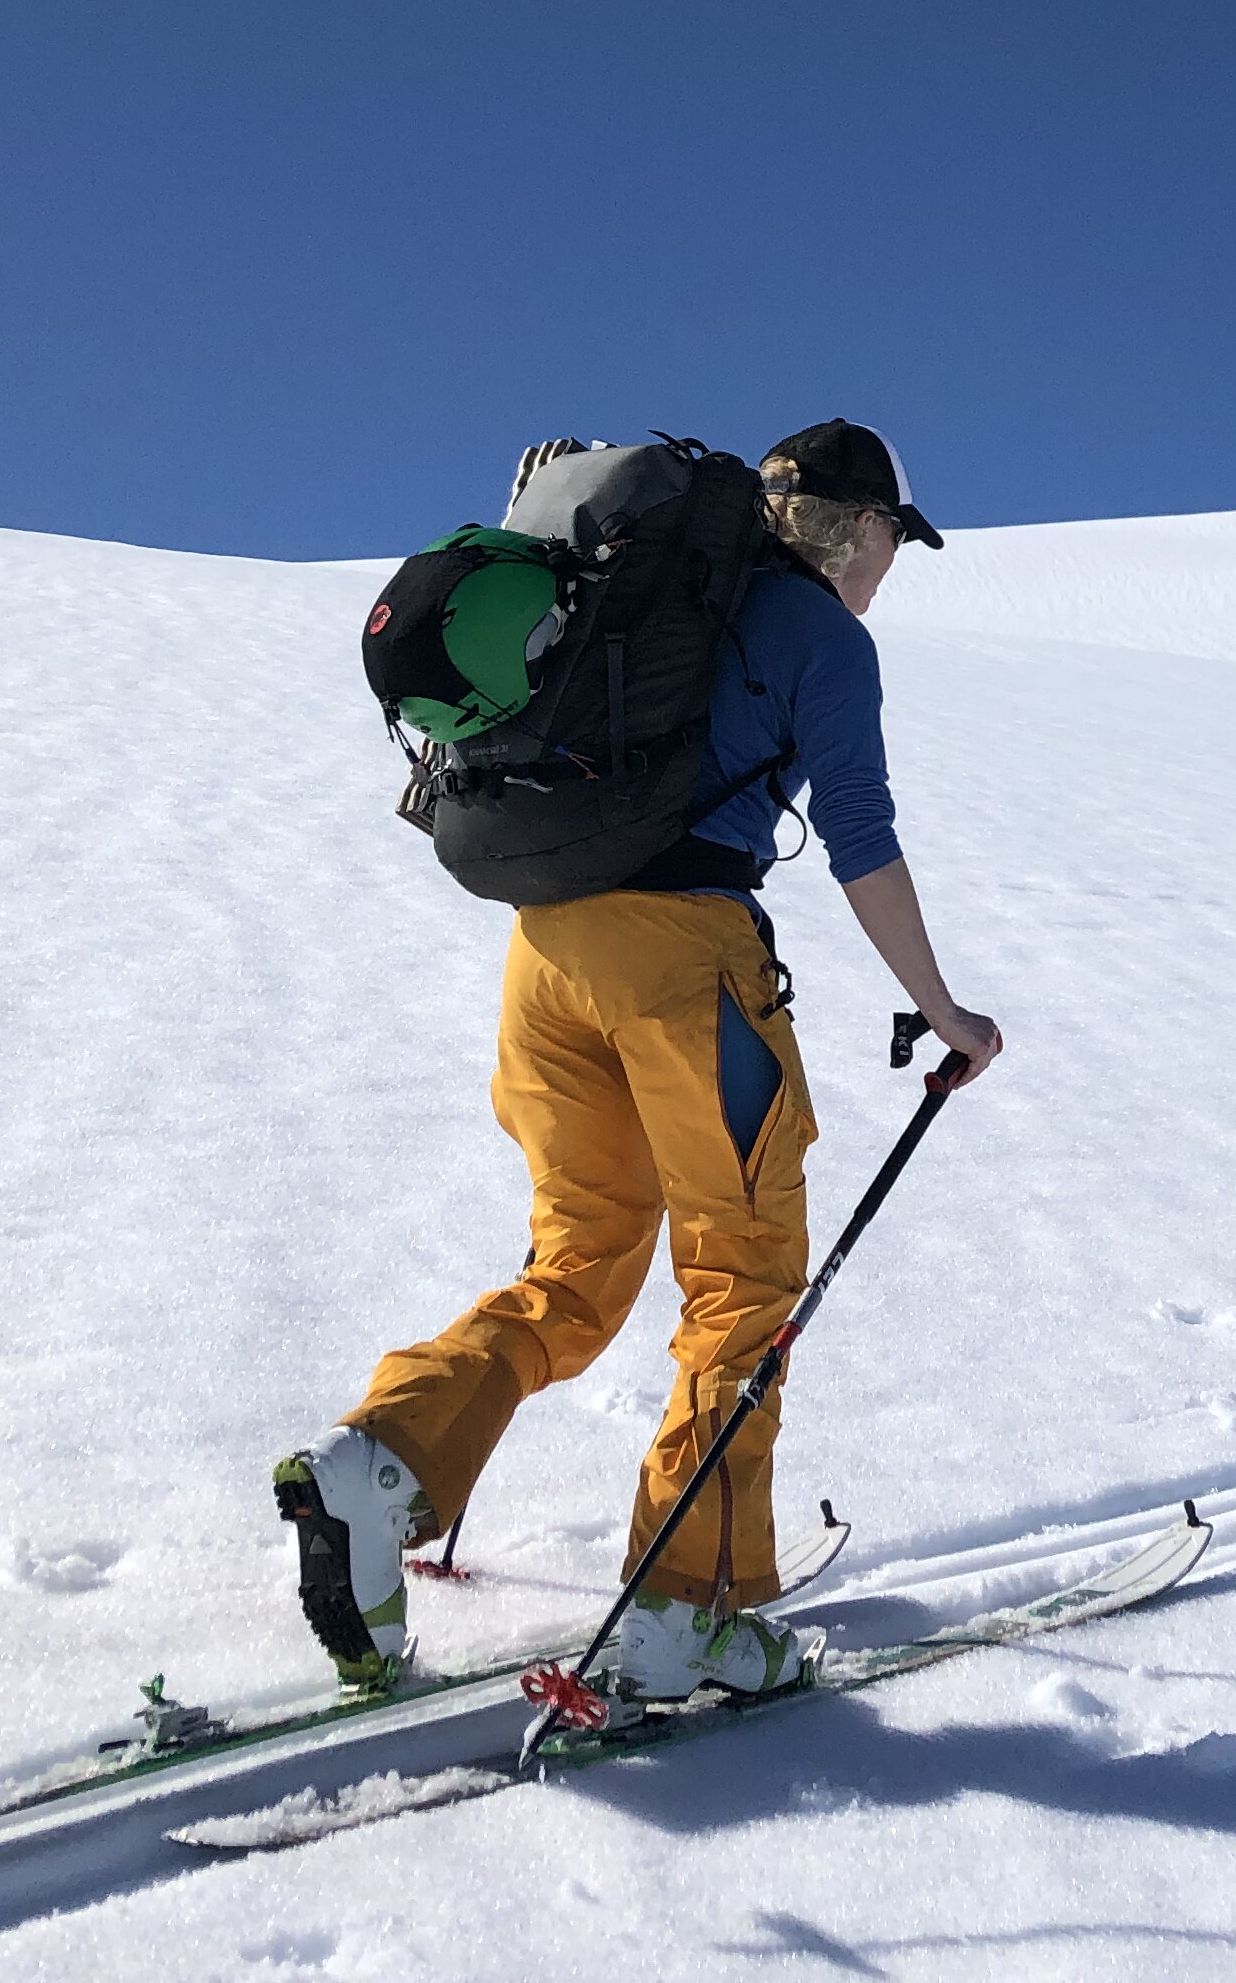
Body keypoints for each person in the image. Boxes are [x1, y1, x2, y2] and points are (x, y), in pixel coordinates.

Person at [276, 420, 1004, 1696]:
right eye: (893, 534)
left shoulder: (637, 593)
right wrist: (945, 1013)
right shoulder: (821, 638)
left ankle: (377, 1465)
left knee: (577, 1266)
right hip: (686, 968)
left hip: (544, 960)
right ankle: (689, 1615)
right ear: (856, 525)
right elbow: (861, 840)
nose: (892, 560)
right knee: (742, 1282)